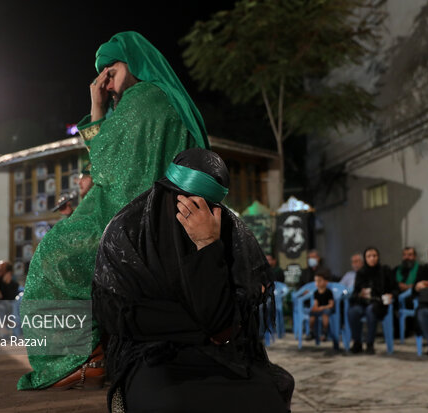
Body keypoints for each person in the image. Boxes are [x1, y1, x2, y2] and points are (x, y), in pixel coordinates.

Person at [18, 31, 209, 390]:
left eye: (111, 68)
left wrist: (96, 110)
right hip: (146, 216)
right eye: (100, 73)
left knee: (54, 254)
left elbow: (106, 169)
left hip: (135, 220)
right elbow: (109, 167)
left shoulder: (144, 99)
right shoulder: (156, 99)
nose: (105, 81)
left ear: (134, 62)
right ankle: (93, 352)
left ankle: (82, 358)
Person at [93, 149, 294, 412]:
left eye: (209, 207)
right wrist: (200, 329)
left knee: (267, 398)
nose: (198, 215)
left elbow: (221, 319)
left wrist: (207, 244)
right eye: (188, 203)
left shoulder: (227, 232)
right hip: (151, 355)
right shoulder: (128, 231)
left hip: (218, 356)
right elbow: (120, 315)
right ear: (169, 194)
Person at [348, 247, 395, 354]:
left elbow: (394, 288)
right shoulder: (361, 272)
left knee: (371, 310)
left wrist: (390, 295)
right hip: (363, 302)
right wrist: (360, 294)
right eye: (369, 256)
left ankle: (370, 343)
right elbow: (355, 292)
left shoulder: (385, 270)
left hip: (379, 302)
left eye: (375, 256)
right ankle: (357, 342)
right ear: (365, 258)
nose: (372, 258)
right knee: (353, 311)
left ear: (378, 257)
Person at [309, 271, 335, 343]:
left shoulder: (328, 292)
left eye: (319, 280)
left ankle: (325, 332)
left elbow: (331, 304)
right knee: (312, 314)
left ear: (326, 282)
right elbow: (316, 303)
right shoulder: (316, 293)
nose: (317, 283)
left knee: (325, 315)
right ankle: (312, 332)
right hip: (320, 309)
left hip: (327, 309)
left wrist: (322, 307)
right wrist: (315, 308)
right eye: (316, 281)